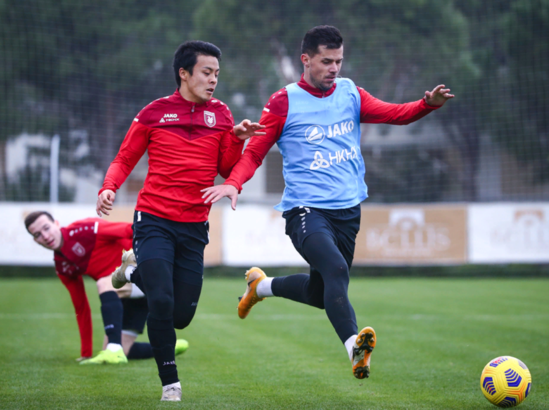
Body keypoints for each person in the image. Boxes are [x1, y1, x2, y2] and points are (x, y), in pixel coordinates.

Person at [201, 25, 454, 380]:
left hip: (348, 211)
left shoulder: (350, 93)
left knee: (320, 294)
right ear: (305, 60)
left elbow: (395, 114)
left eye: (338, 61)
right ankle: (354, 348)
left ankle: (261, 287)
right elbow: (255, 153)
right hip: (305, 210)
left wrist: (427, 105)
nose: (334, 68)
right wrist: (233, 183)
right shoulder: (283, 102)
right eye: (326, 61)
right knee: (336, 269)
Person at [96, 40, 264, 401]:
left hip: (194, 226)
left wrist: (237, 139)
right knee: (160, 300)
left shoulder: (221, 114)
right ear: (184, 74)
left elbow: (225, 168)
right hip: (154, 219)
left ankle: (130, 270)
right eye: (206, 72)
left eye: (217, 73)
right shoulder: (154, 112)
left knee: (180, 316)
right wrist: (109, 187)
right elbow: (124, 159)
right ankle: (170, 385)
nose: (213, 80)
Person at [25, 211, 189, 364]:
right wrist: (86, 352)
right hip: (130, 293)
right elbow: (81, 307)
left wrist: (164, 257)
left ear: (56, 223)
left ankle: (114, 349)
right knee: (124, 349)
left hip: (149, 273)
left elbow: (130, 229)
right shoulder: (62, 266)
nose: (45, 236)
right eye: (37, 234)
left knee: (105, 282)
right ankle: (167, 347)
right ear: (35, 240)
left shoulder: (86, 230)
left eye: (46, 228)